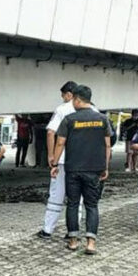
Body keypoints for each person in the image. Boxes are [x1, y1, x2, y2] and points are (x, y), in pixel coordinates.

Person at [50, 85, 112, 255]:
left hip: (73, 169)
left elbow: (60, 142)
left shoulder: (69, 120)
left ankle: (73, 241)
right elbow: (107, 145)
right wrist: (105, 167)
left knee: (73, 204)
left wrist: (54, 164)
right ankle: (91, 243)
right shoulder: (102, 119)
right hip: (94, 169)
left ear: (77, 99)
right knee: (92, 205)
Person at [38, 80, 95, 239]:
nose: (63, 99)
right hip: (86, 161)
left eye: (64, 96)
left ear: (71, 95)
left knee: (56, 196)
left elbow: (51, 133)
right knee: (78, 198)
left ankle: (48, 230)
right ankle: (73, 232)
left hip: (64, 160)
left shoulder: (63, 109)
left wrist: (51, 157)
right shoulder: (95, 111)